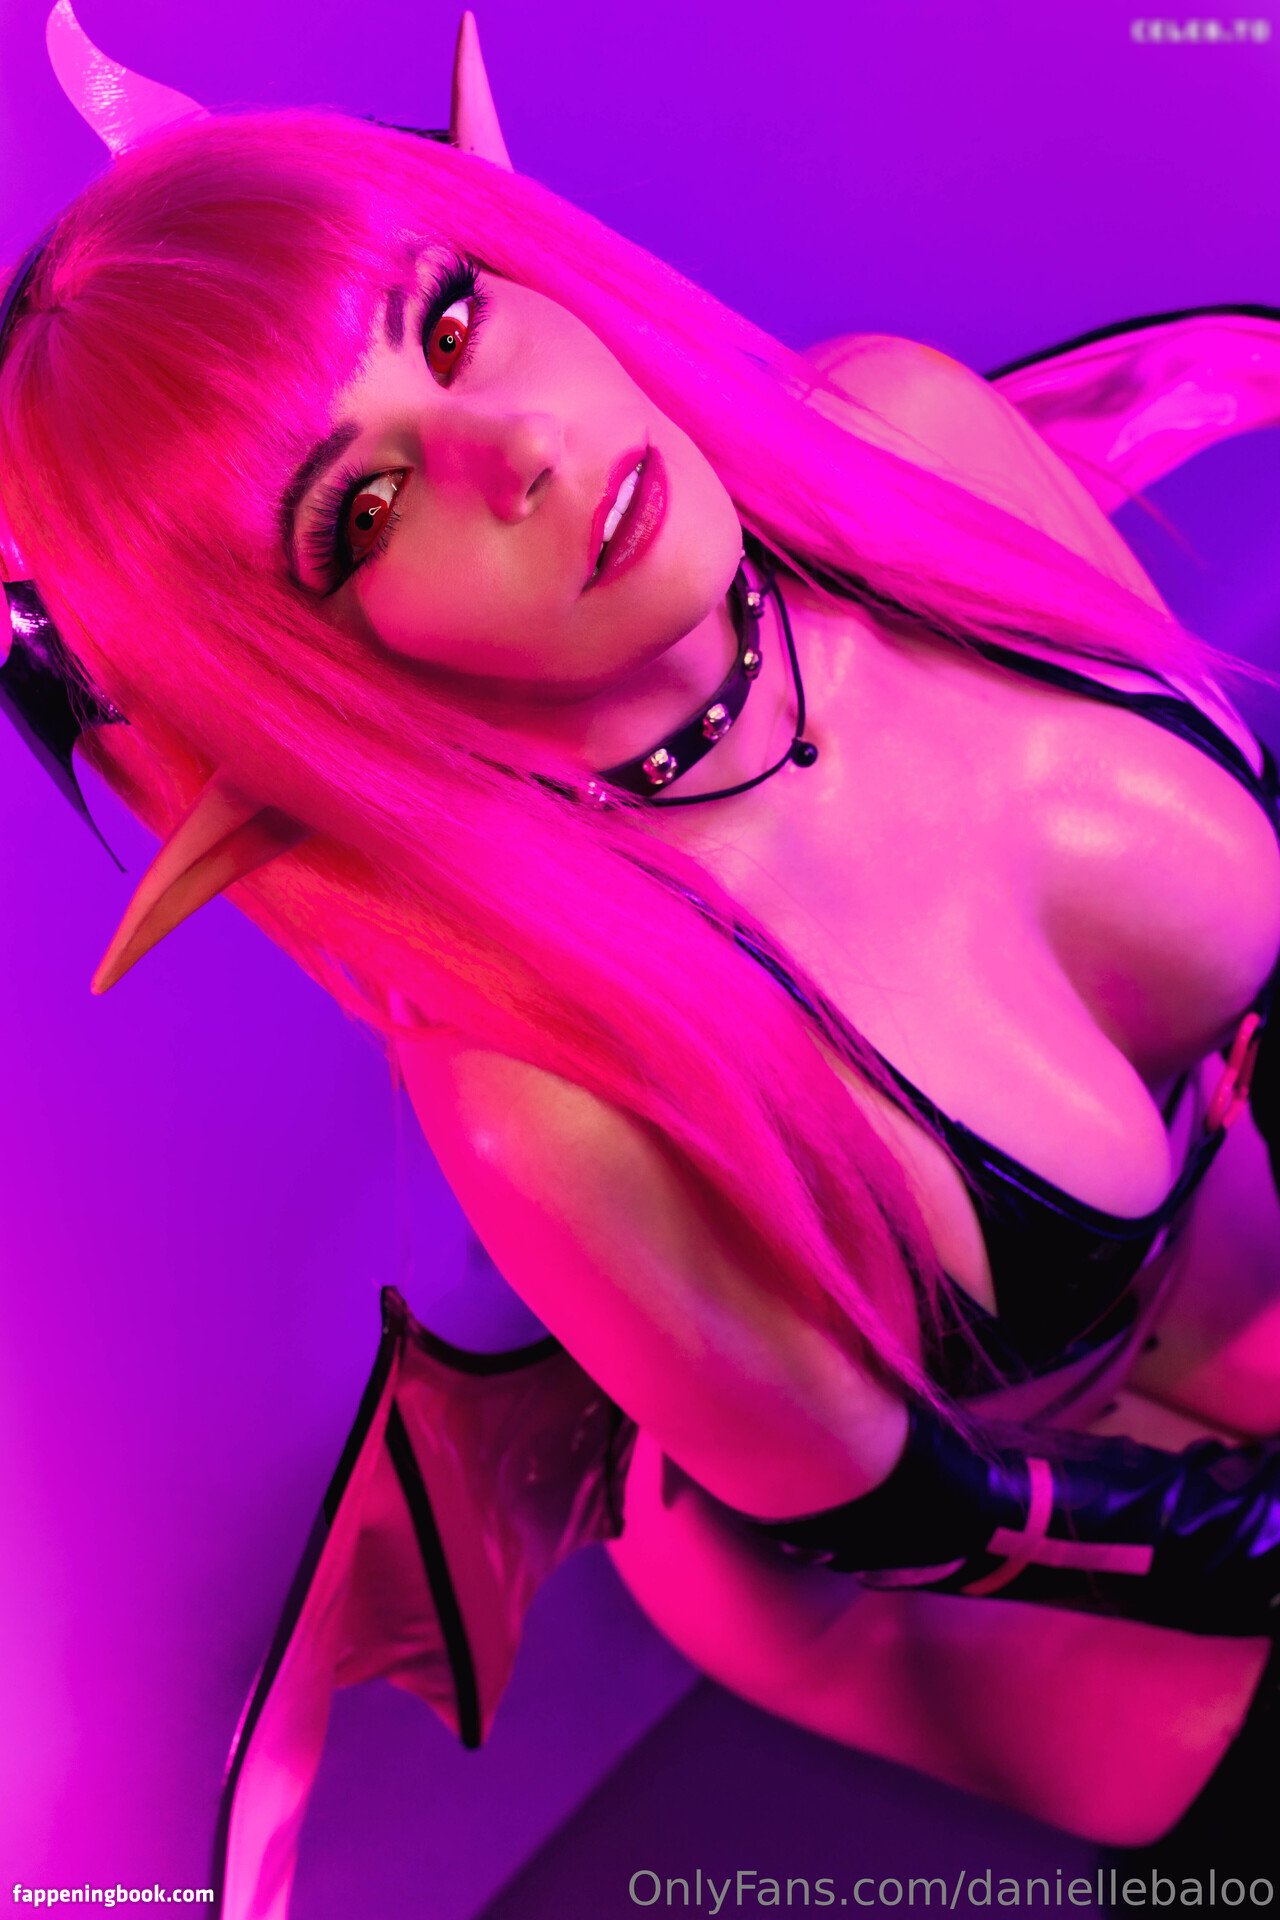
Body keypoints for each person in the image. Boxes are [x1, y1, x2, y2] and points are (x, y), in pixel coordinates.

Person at [5, 12, 1280, 1915]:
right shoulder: (539, 1086)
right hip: (964, 1558)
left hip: (1217, 1253)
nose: (512, 451)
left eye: (451, 321)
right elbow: (899, 1508)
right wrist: (1248, 1536)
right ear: (299, 677)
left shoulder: (911, 440)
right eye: (365, 510)